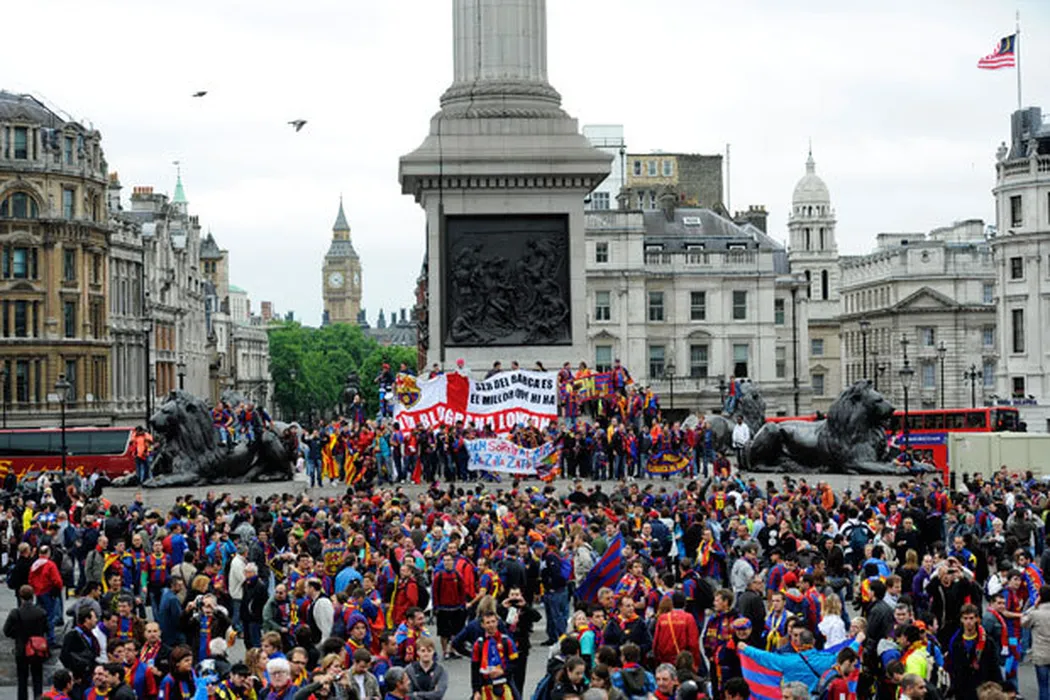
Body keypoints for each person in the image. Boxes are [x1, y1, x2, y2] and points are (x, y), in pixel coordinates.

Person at [949, 604, 1003, 700]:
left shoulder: (987, 641)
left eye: (971, 618)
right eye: (965, 618)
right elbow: (953, 667)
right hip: (962, 690)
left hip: (983, 689)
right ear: (961, 620)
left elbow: (994, 666)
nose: (968, 622)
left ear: (977, 619)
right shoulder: (955, 642)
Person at [4, 584, 49, 700]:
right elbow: (47, 629)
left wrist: (17, 635)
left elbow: (6, 631)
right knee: (37, 678)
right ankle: (38, 698)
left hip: (21, 648)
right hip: (37, 649)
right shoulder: (41, 612)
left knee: (22, 679)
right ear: (33, 596)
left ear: (20, 597)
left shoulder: (16, 613)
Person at [1023, 584, 1050, 700]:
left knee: (1043, 686)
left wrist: (1033, 606)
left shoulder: (1035, 614)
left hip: (1041, 654)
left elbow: (1024, 622)